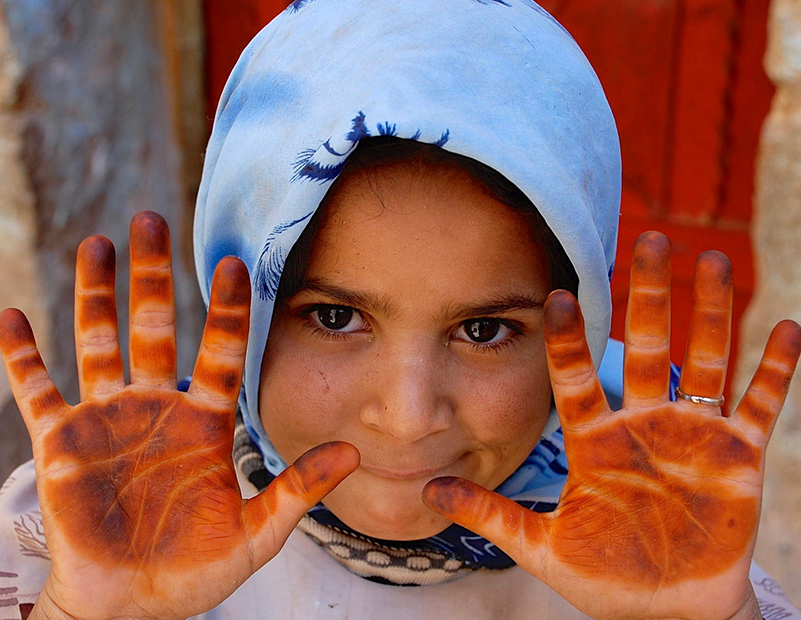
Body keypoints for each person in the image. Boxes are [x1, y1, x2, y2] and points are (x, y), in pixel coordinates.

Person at [0, 0, 799, 618]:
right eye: (335, 317)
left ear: (578, 328)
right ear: (242, 302)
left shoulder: (668, 553)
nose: (409, 416)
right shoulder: (90, 525)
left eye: (484, 330)